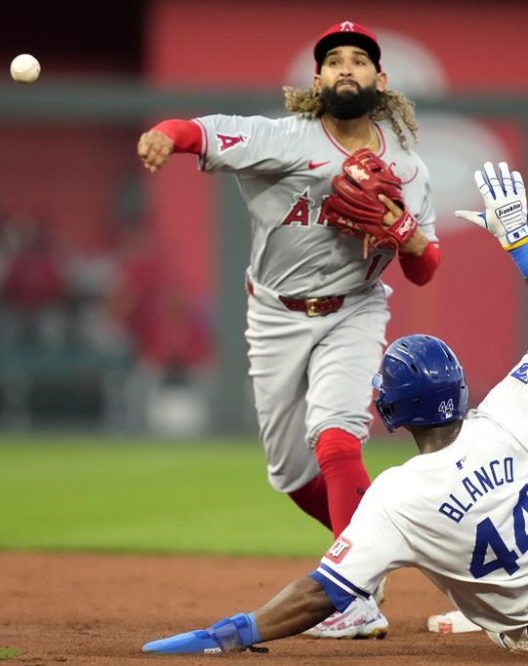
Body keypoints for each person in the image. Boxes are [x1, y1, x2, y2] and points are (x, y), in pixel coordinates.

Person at [139, 161, 528, 655]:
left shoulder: (394, 498)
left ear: (392, 415)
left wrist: (232, 633)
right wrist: (519, 241)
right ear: (461, 388)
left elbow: (324, 592)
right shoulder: (510, 417)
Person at [136, 20, 441, 636]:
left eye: (359, 60)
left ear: (380, 81)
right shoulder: (280, 139)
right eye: (335, 61)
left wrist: (406, 235)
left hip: (354, 308)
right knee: (291, 474)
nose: (347, 68)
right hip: (274, 313)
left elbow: (426, 270)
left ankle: (355, 594)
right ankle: (375, 543)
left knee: (335, 439)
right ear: (318, 79)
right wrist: (165, 136)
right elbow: (198, 132)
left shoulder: (407, 168)